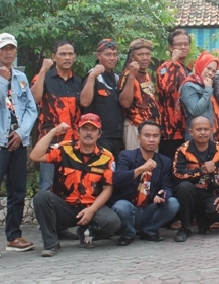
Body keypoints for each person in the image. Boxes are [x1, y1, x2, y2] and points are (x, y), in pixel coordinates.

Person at [0, 33, 38, 258]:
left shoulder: (21, 76)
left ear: (16, 51)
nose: (8, 52)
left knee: (17, 191)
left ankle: (14, 236)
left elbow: (31, 109)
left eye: (11, 48)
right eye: (3, 49)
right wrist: (1, 80)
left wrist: (21, 133)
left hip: (18, 141)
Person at [30, 115, 121, 256]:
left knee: (112, 222)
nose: (89, 133)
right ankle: (51, 244)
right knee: (41, 197)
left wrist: (91, 210)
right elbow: (35, 156)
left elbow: (108, 188)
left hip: (90, 208)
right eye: (85, 129)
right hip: (65, 207)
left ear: (99, 134)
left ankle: (86, 232)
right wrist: (54, 131)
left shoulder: (107, 157)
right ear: (77, 132)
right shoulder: (64, 149)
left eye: (93, 129)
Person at [111, 120, 179, 246]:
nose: (151, 139)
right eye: (147, 135)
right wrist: (142, 168)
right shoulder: (126, 156)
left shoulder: (165, 161)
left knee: (173, 203)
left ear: (160, 139)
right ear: (139, 138)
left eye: (155, 136)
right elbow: (118, 180)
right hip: (129, 208)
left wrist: (163, 194)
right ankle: (128, 234)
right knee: (121, 206)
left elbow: (168, 186)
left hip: (150, 208)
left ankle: (149, 231)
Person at [31, 40, 82, 192]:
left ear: (75, 57)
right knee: (47, 186)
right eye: (62, 54)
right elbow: (34, 98)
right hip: (50, 142)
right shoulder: (44, 78)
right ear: (54, 57)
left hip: (74, 143)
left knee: (72, 186)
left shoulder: (79, 82)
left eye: (70, 54)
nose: (67, 57)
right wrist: (42, 71)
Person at [172, 116, 219, 242]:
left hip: (211, 193)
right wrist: (202, 171)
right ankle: (185, 227)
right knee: (184, 188)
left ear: (211, 130)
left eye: (206, 129)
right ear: (191, 132)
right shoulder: (182, 150)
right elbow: (177, 174)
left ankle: (204, 223)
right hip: (191, 193)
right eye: (198, 129)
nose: (202, 132)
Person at [80, 38, 124, 158]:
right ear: (99, 55)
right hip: (99, 136)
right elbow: (84, 102)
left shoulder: (117, 78)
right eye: (108, 54)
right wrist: (93, 75)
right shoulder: (92, 76)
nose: (112, 58)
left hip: (118, 136)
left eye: (115, 55)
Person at [119, 38, 160, 150]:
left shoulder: (147, 74)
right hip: (135, 126)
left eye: (147, 54)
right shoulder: (128, 74)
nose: (145, 58)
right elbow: (125, 103)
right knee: (136, 162)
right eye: (140, 54)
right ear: (132, 57)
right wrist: (132, 75)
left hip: (150, 128)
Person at [157, 29, 192, 158]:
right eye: (178, 44)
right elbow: (166, 88)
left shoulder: (188, 69)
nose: (183, 47)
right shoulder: (165, 67)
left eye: (186, 44)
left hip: (187, 128)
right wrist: (173, 61)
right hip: (170, 130)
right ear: (171, 47)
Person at [180, 52, 219, 144]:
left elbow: (214, 111)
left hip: (214, 141)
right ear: (201, 65)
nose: (210, 73)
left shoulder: (206, 85)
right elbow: (196, 110)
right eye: (208, 68)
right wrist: (208, 89)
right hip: (198, 142)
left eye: (214, 71)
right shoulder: (189, 86)